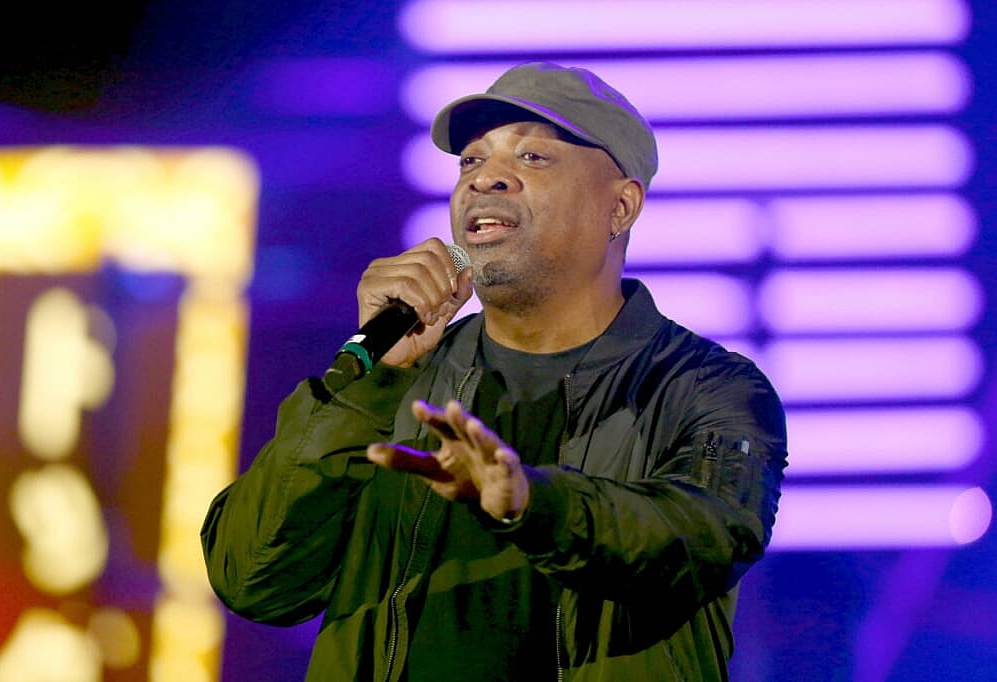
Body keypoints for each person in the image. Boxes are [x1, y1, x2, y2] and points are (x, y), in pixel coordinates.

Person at [201, 62, 787, 681]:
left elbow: (702, 540)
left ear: (620, 207)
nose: (485, 179)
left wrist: (532, 503)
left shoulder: (708, 388)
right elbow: (254, 579)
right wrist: (369, 385)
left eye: (532, 157)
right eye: (470, 162)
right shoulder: (391, 386)